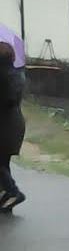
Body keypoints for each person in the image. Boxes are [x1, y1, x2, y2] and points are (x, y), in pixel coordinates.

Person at [0, 42, 26, 213]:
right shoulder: (16, 75)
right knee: (3, 162)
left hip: (5, 127)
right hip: (14, 125)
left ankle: (13, 192)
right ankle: (5, 197)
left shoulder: (2, 76)